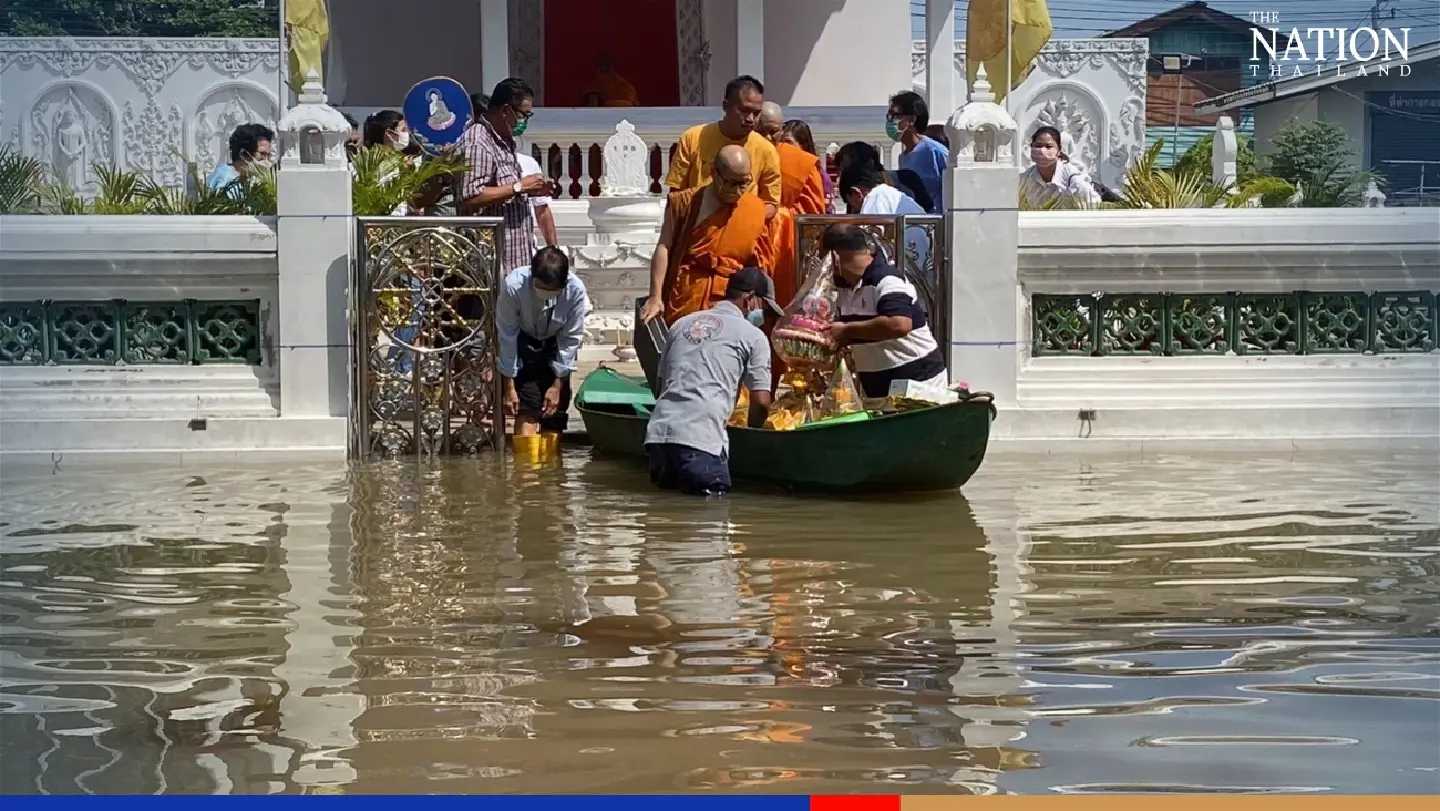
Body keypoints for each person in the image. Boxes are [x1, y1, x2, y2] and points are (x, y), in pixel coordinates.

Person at [644, 267, 781, 496]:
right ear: (750, 300)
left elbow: (661, 388)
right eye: (764, 310)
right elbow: (761, 402)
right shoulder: (753, 336)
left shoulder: (680, 325)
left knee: (665, 517)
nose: (764, 318)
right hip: (701, 441)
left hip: (659, 437)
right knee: (711, 518)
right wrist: (754, 436)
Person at [641, 145, 777, 326]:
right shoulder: (685, 203)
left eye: (744, 183)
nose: (738, 190)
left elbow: (759, 262)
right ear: (714, 173)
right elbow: (664, 246)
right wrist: (655, 296)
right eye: (731, 183)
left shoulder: (753, 209)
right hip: (688, 295)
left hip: (731, 300)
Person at [820, 224, 948, 405]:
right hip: (878, 391)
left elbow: (899, 324)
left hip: (917, 386)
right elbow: (861, 332)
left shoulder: (887, 279)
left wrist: (847, 330)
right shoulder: (842, 287)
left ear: (834, 258)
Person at [457, 77, 550, 273]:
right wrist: (519, 187)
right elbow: (470, 196)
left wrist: (530, 191)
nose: (525, 121)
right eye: (524, 115)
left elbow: (503, 190)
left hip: (516, 259)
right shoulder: (478, 143)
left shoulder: (503, 140)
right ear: (506, 110)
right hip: (492, 264)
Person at [497, 246, 590, 437]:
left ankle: (554, 466)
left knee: (554, 412)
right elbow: (507, 336)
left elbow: (570, 340)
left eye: (552, 290)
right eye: (540, 288)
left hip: (555, 343)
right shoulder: (514, 286)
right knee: (527, 409)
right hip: (523, 340)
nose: (545, 293)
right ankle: (524, 466)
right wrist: (509, 387)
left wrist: (557, 385)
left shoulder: (575, 291)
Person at [665, 75, 782, 217]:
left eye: (756, 113)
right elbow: (676, 196)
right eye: (744, 111)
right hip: (697, 228)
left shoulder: (766, 150)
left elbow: (771, 203)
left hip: (742, 230)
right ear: (725, 106)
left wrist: (744, 218)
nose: (751, 119)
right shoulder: (693, 138)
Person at [472, 92, 557, 249]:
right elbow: (473, 197)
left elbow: (542, 209)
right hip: (489, 250)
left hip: (523, 250)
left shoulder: (527, 162)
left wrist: (553, 249)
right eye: (521, 114)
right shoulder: (475, 150)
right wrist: (519, 187)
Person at [837, 164, 931, 285]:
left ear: (856, 193)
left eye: (852, 204)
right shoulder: (891, 194)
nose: (855, 209)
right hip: (920, 270)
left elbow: (867, 244)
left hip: (907, 276)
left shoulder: (875, 197)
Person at [888, 91, 948, 214]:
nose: (890, 121)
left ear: (911, 120)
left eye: (895, 116)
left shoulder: (934, 151)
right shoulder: (903, 157)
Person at [833, 141, 933, 213]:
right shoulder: (856, 197)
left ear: (870, 163)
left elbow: (929, 215)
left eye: (851, 169)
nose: (846, 177)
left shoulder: (907, 180)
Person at [1020, 125, 1101, 209]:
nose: (1041, 151)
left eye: (1048, 146)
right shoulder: (1024, 180)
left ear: (1059, 151)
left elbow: (1093, 208)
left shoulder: (1074, 181)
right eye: (1037, 146)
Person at [206, 123, 274, 193]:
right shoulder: (223, 180)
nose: (266, 160)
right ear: (243, 154)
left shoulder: (253, 180)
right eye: (262, 154)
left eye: (268, 155)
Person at [780, 119, 834, 200]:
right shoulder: (775, 171)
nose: (783, 147)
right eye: (780, 142)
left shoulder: (820, 176)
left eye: (788, 142)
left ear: (803, 145)